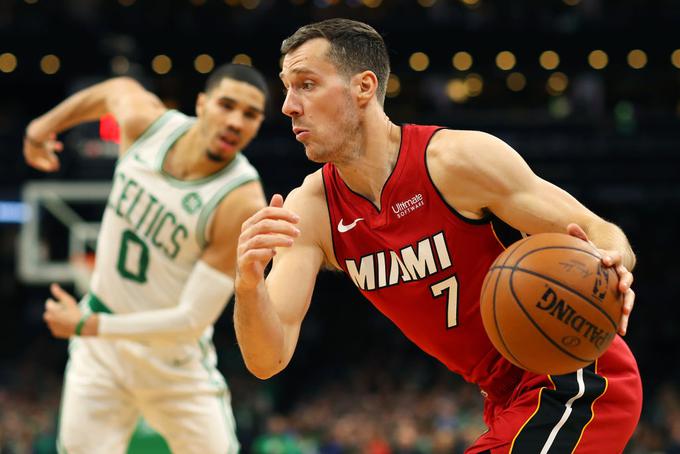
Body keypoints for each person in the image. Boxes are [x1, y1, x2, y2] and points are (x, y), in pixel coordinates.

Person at [234, 18, 642, 453]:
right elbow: (267, 359)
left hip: (575, 374)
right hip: (507, 399)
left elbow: (600, 231)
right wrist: (247, 282)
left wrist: (610, 262)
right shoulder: (310, 211)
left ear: (364, 87)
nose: (288, 106)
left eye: (307, 84)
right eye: (287, 88)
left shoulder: (456, 161)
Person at [24, 63, 269, 454]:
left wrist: (91, 324)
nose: (236, 121)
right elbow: (114, 88)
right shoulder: (147, 126)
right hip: (101, 356)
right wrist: (41, 127)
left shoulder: (240, 200)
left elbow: (190, 321)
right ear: (202, 104)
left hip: (172, 361)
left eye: (250, 115)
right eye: (227, 105)